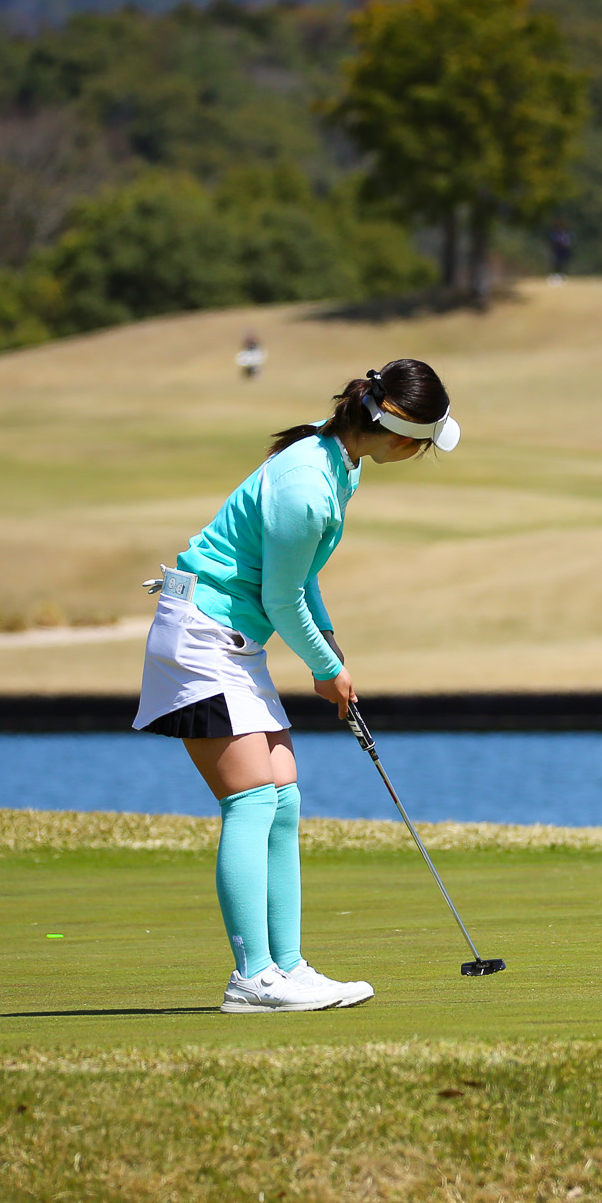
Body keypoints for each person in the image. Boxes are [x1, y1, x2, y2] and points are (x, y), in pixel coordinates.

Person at [133, 359, 461, 1014]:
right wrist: (325, 669)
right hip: (201, 638)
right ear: (401, 439)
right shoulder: (308, 483)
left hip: (233, 639)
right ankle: (252, 977)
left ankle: (287, 966)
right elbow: (281, 598)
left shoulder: (338, 459)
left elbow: (301, 575)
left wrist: (331, 643)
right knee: (252, 799)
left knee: (282, 795)